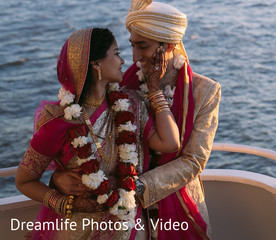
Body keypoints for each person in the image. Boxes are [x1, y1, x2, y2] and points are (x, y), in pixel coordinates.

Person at [54, 0, 221, 239]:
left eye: (142, 46)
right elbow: (91, 135)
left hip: (177, 204)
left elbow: (194, 161)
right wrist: (58, 177)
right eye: (131, 46)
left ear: (169, 45)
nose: (134, 57)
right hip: (120, 210)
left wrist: (135, 186)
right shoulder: (119, 84)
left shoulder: (205, 91)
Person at [15, 28, 181, 239]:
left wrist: (155, 90)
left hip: (126, 226)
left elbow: (170, 143)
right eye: (116, 53)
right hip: (77, 229)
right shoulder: (58, 121)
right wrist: (64, 202)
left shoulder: (131, 106)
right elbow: (24, 180)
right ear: (96, 64)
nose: (123, 61)